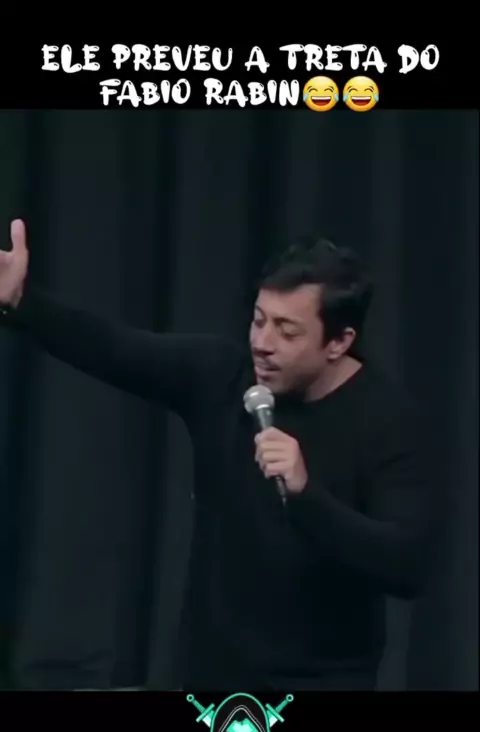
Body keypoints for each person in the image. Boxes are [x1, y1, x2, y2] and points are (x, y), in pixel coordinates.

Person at [0, 220, 435, 690]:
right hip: (209, 680)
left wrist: (308, 496)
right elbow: (115, 348)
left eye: (287, 331)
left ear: (339, 342)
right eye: (259, 320)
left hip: (322, 680)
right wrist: (21, 302)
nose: (262, 344)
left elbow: (406, 566)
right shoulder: (223, 378)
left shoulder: (387, 421)